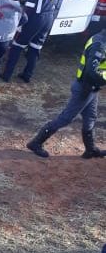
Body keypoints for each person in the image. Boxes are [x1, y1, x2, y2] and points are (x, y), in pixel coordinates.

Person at [26, 29, 106, 158]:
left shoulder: (100, 39)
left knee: (90, 117)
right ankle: (35, 143)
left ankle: (90, 149)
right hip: (85, 88)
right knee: (65, 118)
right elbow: (92, 71)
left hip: (91, 88)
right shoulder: (100, 45)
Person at [0, 0, 61, 82]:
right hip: (48, 17)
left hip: (35, 19)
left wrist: (21, 22)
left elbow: (30, 7)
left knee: (17, 45)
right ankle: (27, 75)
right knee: (35, 47)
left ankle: (6, 75)